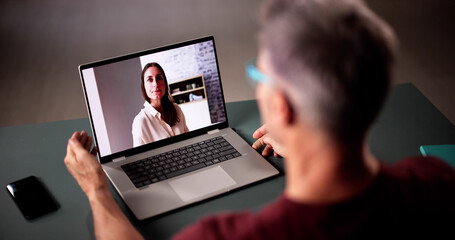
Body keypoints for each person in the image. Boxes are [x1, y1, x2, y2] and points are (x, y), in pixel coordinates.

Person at [64, 0, 455, 239]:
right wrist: (305, 144)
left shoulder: (228, 235)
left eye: (258, 74)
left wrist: (96, 187)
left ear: (282, 107)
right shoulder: (434, 180)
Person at [132, 62, 189, 147]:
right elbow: (140, 158)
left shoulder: (176, 109)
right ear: (144, 86)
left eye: (159, 78)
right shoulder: (140, 122)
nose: (155, 84)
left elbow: (189, 141)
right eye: (150, 80)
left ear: (165, 82)